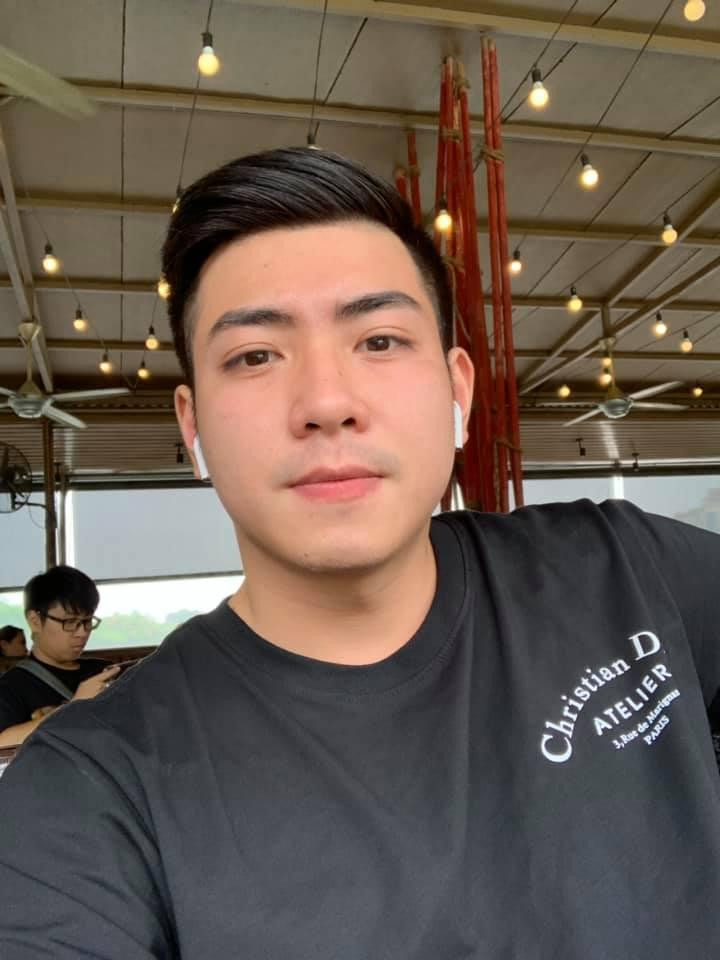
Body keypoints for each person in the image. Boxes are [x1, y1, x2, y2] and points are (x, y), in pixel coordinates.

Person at [0, 147, 718, 958]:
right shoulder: (93, 783)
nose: (326, 402)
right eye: (254, 355)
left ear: (457, 391)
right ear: (192, 427)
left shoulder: (621, 566)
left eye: (378, 340)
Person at [0, 566, 119, 747]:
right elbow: (3, 742)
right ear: (35, 621)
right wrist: (74, 707)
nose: (82, 633)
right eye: (70, 622)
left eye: (87, 621)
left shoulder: (105, 672)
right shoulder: (11, 686)